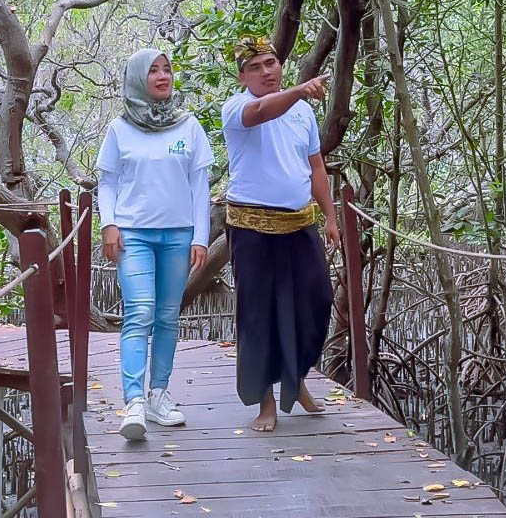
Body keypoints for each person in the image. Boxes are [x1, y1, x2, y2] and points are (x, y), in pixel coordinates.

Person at [221, 34, 338, 432]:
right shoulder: (238, 107)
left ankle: (296, 379)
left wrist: (332, 217)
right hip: (252, 227)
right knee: (259, 314)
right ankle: (265, 401)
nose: (266, 72)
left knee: (316, 300)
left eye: (271, 63)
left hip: (299, 223)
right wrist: (299, 90)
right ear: (242, 76)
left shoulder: (302, 113)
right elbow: (260, 113)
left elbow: (316, 167)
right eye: (255, 67)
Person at [97, 48, 214, 440]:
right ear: (137, 79)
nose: (163, 77)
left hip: (178, 234)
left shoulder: (188, 126)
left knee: (167, 315)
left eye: (167, 70)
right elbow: (108, 181)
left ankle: (159, 394)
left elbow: (200, 185)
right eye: (154, 71)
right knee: (140, 311)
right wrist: (108, 224)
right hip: (134, 234)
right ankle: (133, 402)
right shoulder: (120, 128)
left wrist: (201, 237)